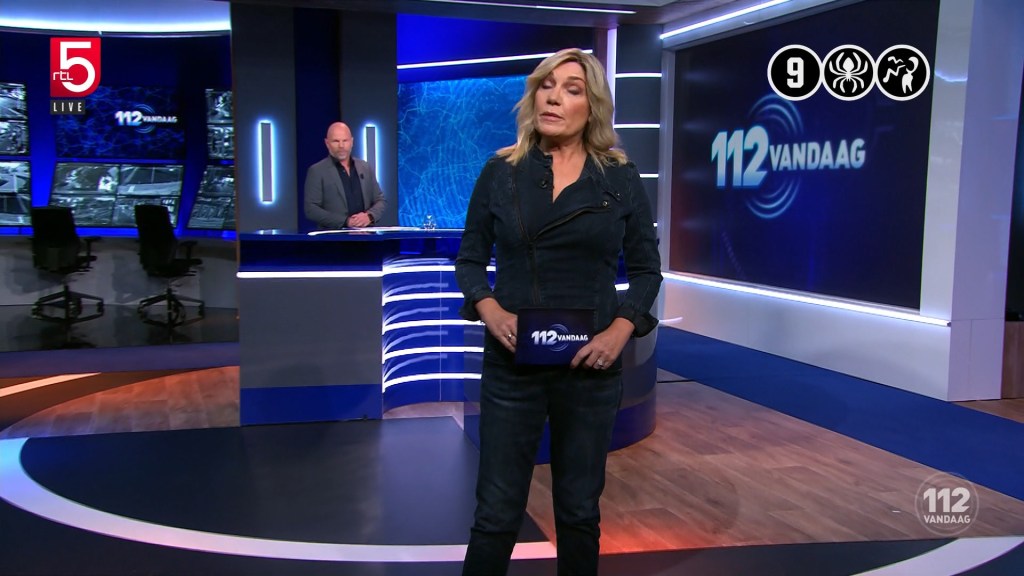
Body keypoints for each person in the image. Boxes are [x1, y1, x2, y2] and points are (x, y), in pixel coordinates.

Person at [455, 48, 663, 575]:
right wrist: (488, 308)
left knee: (578, 512)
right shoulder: (501, 171)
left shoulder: (619, 176)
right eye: (546, 86)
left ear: (591, 107)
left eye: (571, 89)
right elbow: (470, 259)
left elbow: (647, 269)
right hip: (512, 365)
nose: (553, 97)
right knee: (496, 512)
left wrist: (620, 329)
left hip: (590, 366)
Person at [303, 122, 387, 228]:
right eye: (336, 141)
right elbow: (311, 209)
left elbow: (380, 200)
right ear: (327, 143)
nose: (341, 146)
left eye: (345, 141)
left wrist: (369, 216)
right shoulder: (317, 171)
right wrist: (346, 221)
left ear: (352, 142)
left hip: (366, 235)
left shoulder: (365, 167)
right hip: (334, 236)